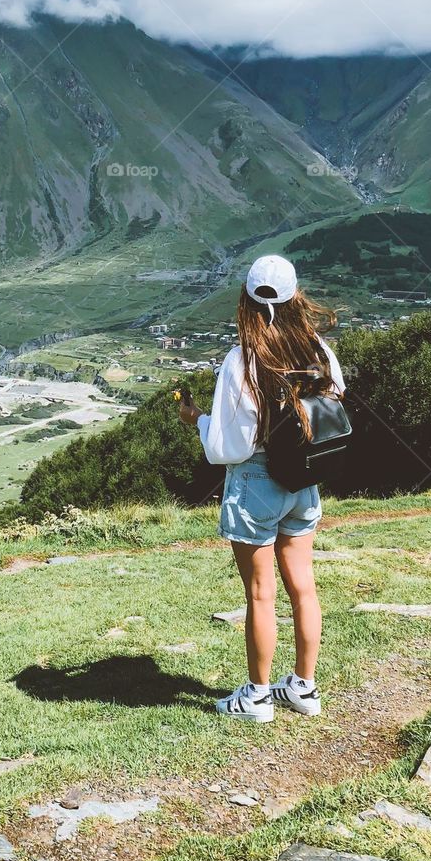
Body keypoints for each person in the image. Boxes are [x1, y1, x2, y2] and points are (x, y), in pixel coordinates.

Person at [178, 255, 344, 722]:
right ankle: (304, 689)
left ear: (246, 300)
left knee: (260, 594)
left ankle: (256, 697)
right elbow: (331, 410)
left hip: (256, 482)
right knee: (303, 588)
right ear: (296, 297)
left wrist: (197, 420)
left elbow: (228, 446)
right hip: (305, 481)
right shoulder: (319, 352)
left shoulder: (242, 360)